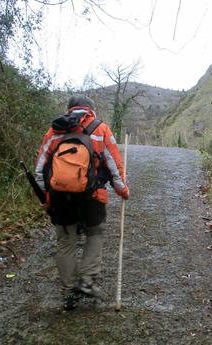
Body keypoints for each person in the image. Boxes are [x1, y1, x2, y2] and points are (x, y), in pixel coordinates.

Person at [35, 95, 130, 310]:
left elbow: (39, 170)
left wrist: (47, 196)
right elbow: (114, 165)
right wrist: (122, 190)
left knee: (65, 240)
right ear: (91, 110)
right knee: (95, 233)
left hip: (60, 198)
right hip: (92, 197)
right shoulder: (101, 129)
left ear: (69, 109)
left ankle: (69, 288)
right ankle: (86, 280)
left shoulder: (54, 131)